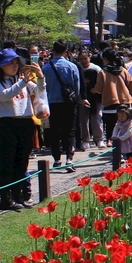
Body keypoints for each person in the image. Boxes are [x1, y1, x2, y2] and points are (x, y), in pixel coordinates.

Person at [0, 49, 47, 211]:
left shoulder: (23, 80)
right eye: (10, 63)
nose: (14, 66)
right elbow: (3, 96)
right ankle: (5, 198)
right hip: (7, 124)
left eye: (16, 63)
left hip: (26, 122)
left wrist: (40, 76)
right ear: (1, 65)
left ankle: (19, 196)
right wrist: (22, 82)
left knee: (22, 162)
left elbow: (40, 91)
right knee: (6, 162)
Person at [42, 41, 81, 171]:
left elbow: (42, 88)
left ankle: (57, 158)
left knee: (54, 131)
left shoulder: (46, 68)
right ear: (66, 52)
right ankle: (69, 158)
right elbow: (77, 87)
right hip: (68, 103)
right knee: (69, 130)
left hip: (51, 102)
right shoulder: (72, 66)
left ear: (53, 50)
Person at [92, 48, 132, 142]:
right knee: (126, 125)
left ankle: (110, 142)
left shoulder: (103, 72)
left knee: (111, 126)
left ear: (105, 59)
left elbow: (98, 90)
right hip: (125, 101)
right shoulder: (123, 70)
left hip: (109, 102)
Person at [77, 51, 105, 149]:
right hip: (82, 97)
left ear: (89, 58)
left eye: (85, 58)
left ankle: (99, 139)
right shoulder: (77, 68)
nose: (83, 61)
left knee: (97, 118)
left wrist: (96, 89)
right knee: (83, 120)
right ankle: (85, 140)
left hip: (95, 98)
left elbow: (102, 81)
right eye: (81, 59)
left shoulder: (96, 69)